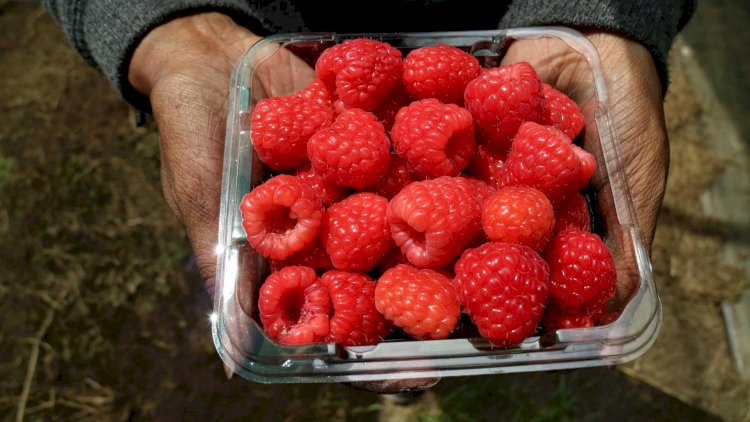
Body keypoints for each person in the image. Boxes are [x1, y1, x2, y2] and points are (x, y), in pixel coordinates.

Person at [42, 0, 695, 393]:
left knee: (415, 341)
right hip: (263, 31)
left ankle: (410, 387)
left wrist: (608, 16)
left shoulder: (476, 166)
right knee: (401, 342)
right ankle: (409, 387)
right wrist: (174, 28)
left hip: (513, 26)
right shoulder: (353, 150)